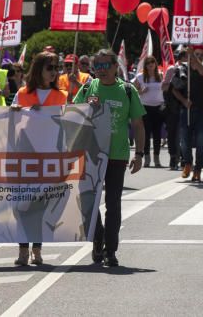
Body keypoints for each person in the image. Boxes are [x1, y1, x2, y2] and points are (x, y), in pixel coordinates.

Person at [73, 49, 145, 268]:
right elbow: (73, 114)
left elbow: (138, 125)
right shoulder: (88, 88)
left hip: (117, 156)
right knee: (88, 203)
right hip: (91, 154)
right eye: (98, 66)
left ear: (116, 67)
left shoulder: (127, 90)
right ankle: (98, 237)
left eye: (106, 65)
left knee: (113, 204)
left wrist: (140, 154)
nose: (102, 70)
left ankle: (110, 250)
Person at [10, 52, 67, 265]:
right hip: (25, 156)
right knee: (23, 205)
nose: (54, 72)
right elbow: (11, 122)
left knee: (42, 205)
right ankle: (22, 249)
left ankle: (37, 248)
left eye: (56, 68)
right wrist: (15, 111)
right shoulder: (23, 93)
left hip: (49, 158)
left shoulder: (61, 96)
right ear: (39, 69)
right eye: (50, 67)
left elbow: (68, 124)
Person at [171, 45, 203, 182]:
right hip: (186, 110)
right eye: (195, 54)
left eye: (200, 55)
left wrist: (192, 55)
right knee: (184, 141)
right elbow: (174, 89)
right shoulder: (182, 70)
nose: (197, 57)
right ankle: (188, 163)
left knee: (200, 141)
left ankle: (198, 169)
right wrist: (183, 101)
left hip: (202, 110)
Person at [132, 56, 165, 168]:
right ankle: (146, 158)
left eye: (152, 62)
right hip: (145, 107)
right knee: (145, 134)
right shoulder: (140, 77)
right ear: (145, 65)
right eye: (148, 63)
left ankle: (156, 159)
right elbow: (133, 91)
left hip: (158, 107)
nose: (150, 64)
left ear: (155, 64)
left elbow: (164, 90)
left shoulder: (160, 75)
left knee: (157, 134)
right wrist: (141, 91)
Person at [161, 46, 187, 171]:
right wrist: (172, 81)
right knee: (173, 134)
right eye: (186, 57)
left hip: (186, 106)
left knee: (185, 134)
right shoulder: (172, 69)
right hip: (173, 107)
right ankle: (173, 158)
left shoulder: (191, 69)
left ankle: (184, 158)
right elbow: (164, 88)